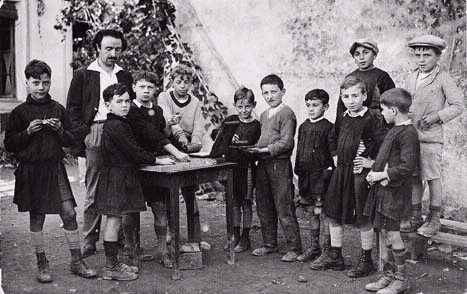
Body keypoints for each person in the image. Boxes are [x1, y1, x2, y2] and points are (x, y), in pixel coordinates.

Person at [4, 60, 97, 283]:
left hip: (55, 169)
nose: (41, 87)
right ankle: (42, 262)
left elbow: (72, 139)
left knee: (69, 213)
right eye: (36, 82)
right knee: (38, 216)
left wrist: (60, 130)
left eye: (45, 83)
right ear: (26, 83)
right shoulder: (19, 112)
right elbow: (9, 144)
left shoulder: (57, 109)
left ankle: (76, 261)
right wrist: (27, 132)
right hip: (31, 171)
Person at [66, 29, 133, 257]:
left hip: (120, 131)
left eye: (117, 49)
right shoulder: (84, 74)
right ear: (98, 48)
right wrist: (85, 135)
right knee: (94, 186)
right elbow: (72, 110)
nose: (113, 53)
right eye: (108, 48)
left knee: (119, 183)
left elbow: (129, 106)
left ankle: (119, 238)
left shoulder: (124, 75)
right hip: (95, 131)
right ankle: (89, 239)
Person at [310, 76, 386, 278]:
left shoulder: (373, 117)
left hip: (359, 175)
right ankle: (335, 255)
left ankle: (366, 259)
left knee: (362, 217)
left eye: (355, 96)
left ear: (364, 96)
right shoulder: (343, 116)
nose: (350, 100)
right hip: (341, 172)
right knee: (333, 213)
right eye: (346, 96)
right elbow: (333, 137)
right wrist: (335, 155)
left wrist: (371, 162)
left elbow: (383, 146)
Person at [125, 71, 188, 268]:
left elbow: (163, 134)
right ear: (134, 87)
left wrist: (170, 126)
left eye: (150, 87)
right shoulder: (131, 110)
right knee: (131, 212)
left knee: (160, 209)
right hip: (135, 166)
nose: (146, 91)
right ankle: (132, 253)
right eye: (142, 87)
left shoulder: (158, 110)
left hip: (156, 166)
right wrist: (177, 153)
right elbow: (150, 135)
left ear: (155, 89)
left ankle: (163, 251)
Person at [94, 83, 157, 281]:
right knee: (113, 221)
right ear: (107, 105)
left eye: (127, 101)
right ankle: (111, 267)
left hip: (120, 176)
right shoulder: (115, 126)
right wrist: (155, 159)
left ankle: (115, 264)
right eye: (119, 101)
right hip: (116, 178)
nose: (125, 105)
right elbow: (133, 151)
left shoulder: (120, 123)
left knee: (117, 220)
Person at [403, 34, 464, 237]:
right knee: (413, 177)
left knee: (432, 176)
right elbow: (406, 102)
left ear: (438, 57)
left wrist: (437, 116)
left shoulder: (443, 78)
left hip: (430, 137)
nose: (421, 59)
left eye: (427, 55)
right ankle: (415, 216)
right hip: (411, 136)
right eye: (418, 55)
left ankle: (434, 218)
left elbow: (457, 106)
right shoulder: (411, 76)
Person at [364, 88, 420, 294]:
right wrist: (374, 171)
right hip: (384, 192)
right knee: (386, 233)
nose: (382, 113)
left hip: (395, 193)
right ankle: (388, 275)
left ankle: (401, 279)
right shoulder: (394, 130)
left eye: (383, 109)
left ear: (394, 110)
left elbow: (408, 166)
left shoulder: (408, 133)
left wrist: (382, 175)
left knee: (394, 235)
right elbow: (387, 159)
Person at [248, 74, 302, 262]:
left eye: (273, 92)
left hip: (279, 165)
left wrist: (265, 150)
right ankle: (269, 243)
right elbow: (263, 138)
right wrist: (253, 148)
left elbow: (287, 142)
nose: (269, 96)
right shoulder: (263, 114)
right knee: (263, 204)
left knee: (283, 205)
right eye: (265, 93)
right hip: (262, 164)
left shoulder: (287, 113)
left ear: (283, 92)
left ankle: (294, 247)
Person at [157, 64, 207, 250]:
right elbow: (169, 119)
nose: (182, 86)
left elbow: (198, 127)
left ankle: (195, 237)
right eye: (178, 82)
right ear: (172, 81)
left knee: (190, 192)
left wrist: (195, 143)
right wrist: (181, 138)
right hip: (169, 144)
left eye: (186, 82)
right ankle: (172, 232)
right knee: (170, 192)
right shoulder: (164, 97)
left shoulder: (195, 102)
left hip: (188, 148)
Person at [294, 89, 335, 262]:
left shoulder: (329, 127)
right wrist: (297, 172)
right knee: (311, 213)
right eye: (308, 105)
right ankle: (313, 247)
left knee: (322, 213)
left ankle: (327, 250)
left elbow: (333, 154)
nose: (311, 109)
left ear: (325, 106)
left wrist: (328, 174)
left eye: (315, 105)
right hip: (306, 178)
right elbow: (300, 150)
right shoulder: (303, 126)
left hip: (321, 179)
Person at [221, 86, 261, 252]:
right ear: (235, 106)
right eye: (240, 107)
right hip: (231, 168)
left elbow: (258, 147)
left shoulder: (257, 125)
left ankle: (245, 238)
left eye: (247, 106)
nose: (244, 110)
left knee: (246, 202)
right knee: (234, 202)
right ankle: (234, 235)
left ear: (253, 105)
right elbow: (220, 141)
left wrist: (250, 149)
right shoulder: (230, 120)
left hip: (247, 169)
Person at [336, 39, 395, 132]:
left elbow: (392, 105)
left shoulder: (382, 77)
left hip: (376, 127)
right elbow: (341, 108)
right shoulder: (350, 77)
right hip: (353, 126)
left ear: (374, 55)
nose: (361, 57)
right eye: (357, 54)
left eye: (366, 53)